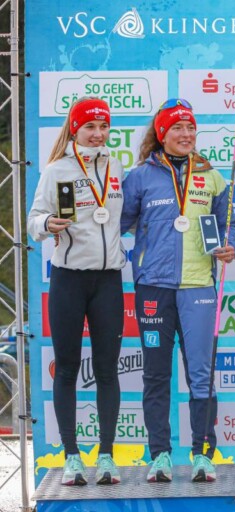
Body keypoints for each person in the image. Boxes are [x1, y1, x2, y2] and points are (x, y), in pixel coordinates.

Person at [121, 99, 235, 483]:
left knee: (201, 375)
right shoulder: (139, 177)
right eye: (177, 129)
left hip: (199, 288)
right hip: (153, 288)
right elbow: (118, 225)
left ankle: (203, 453)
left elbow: (227, 223)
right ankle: (160, 457)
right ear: (161, 134)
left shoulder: (212, 175)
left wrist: (229, 245)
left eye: (190, 128)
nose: (186, 135)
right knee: (156, 375)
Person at [28, 97, 125, 486]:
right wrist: (47, 223)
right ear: (75, 129)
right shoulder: (56, 170)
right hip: (68, 278)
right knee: (66, 368)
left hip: (108, 281)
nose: (98, 134)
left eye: (103, 127)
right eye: (90, 127)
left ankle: (105, 457)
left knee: (106, 370)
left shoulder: (116, 166)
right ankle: (71, 457)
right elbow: (34, 218)